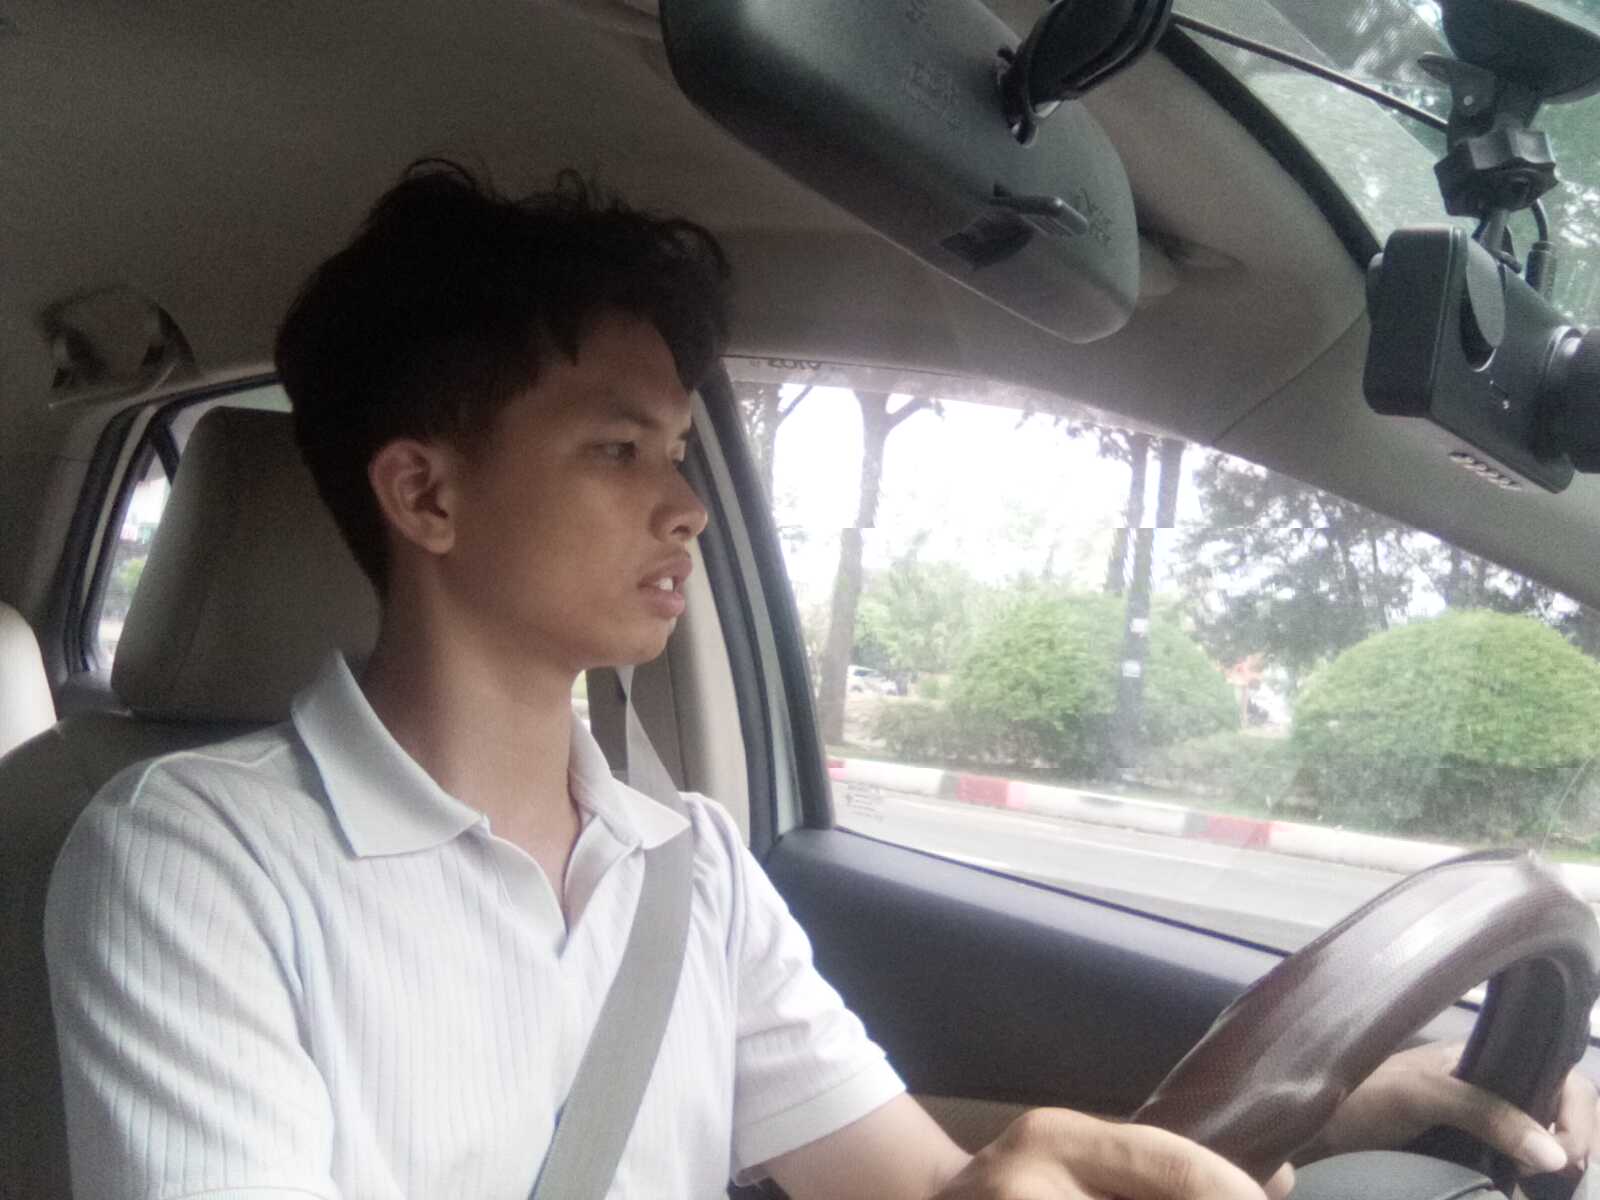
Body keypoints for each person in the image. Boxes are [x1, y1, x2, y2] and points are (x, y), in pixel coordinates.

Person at [43, 162, 1597, 1200]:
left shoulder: (690, 864)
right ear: (425, 494)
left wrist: (1328, 1100)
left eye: (682, 449)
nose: (689, 506)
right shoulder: (196, 859)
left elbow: (912, 1180)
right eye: (618, 449)